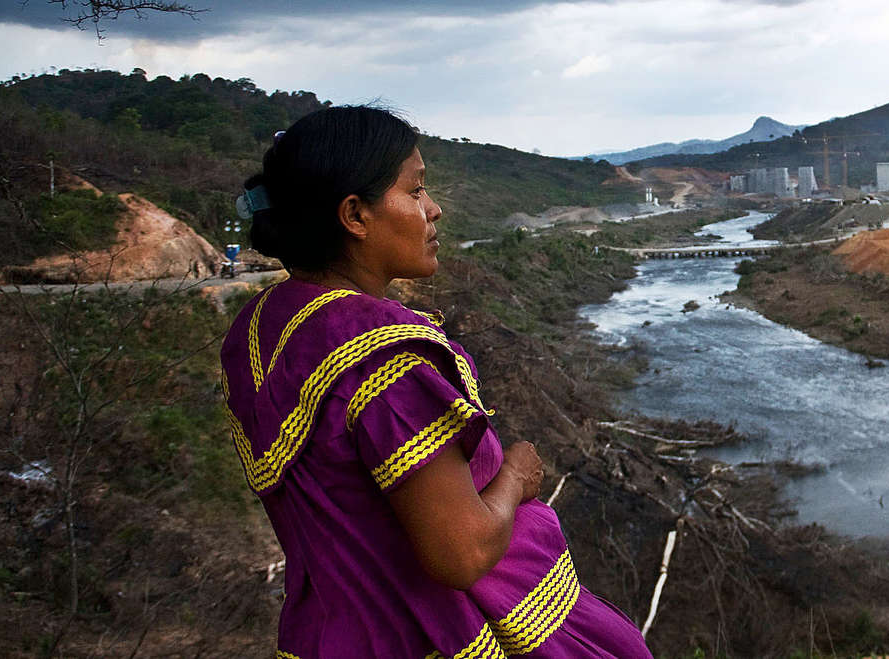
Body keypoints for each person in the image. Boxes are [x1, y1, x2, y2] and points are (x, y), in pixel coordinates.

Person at [220, 106, 653, 658]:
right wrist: (516, 476)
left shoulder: (264, 328)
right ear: (354, 214)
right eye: (416, 190)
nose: (434, 209)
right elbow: (462, 553)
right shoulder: (378, 354)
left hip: (329, 636)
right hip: (430, 634)